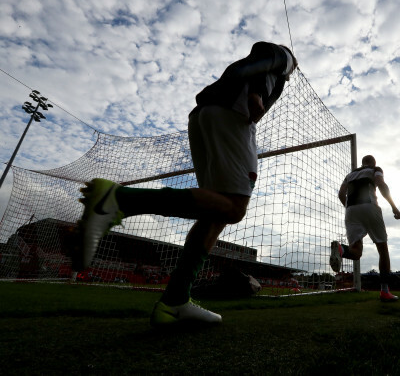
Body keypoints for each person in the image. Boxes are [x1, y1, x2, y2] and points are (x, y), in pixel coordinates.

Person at [74, 42, 298, 327]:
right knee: (234, 209)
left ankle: (175, 302)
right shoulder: (283, 58)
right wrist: (257, 93)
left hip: (206, 115)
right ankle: (119, 200)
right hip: (233, 116)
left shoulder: (265, 70)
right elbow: (262, 58)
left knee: (214, 212)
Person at [329, 155, 400, 301]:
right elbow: (381, 184)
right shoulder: (375, 169)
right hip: (369, 206)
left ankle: (341, 249)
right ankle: (385, 291)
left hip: (351, 210)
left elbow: (341, 194)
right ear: (373, 162)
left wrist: (350, 209)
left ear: (362, 163)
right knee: (383, 248)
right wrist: (394, 206)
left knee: (356, 252)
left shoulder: (350, 175)